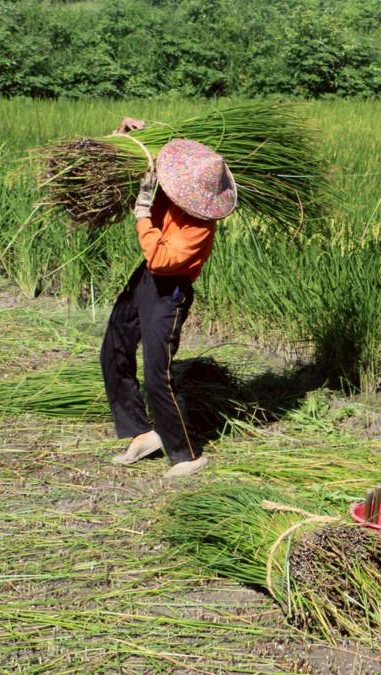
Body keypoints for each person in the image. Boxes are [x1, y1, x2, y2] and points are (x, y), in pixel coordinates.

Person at [102, 116, 237, 478]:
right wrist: (129, 138)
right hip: (145, 279)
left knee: (157, 372)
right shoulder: (172, 183)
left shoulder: (199, 225)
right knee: (114, 348)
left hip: (169, 290)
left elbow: (161, 260)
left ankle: (187, 453)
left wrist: (143, 214)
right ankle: (143, 431)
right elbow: (131, 168)